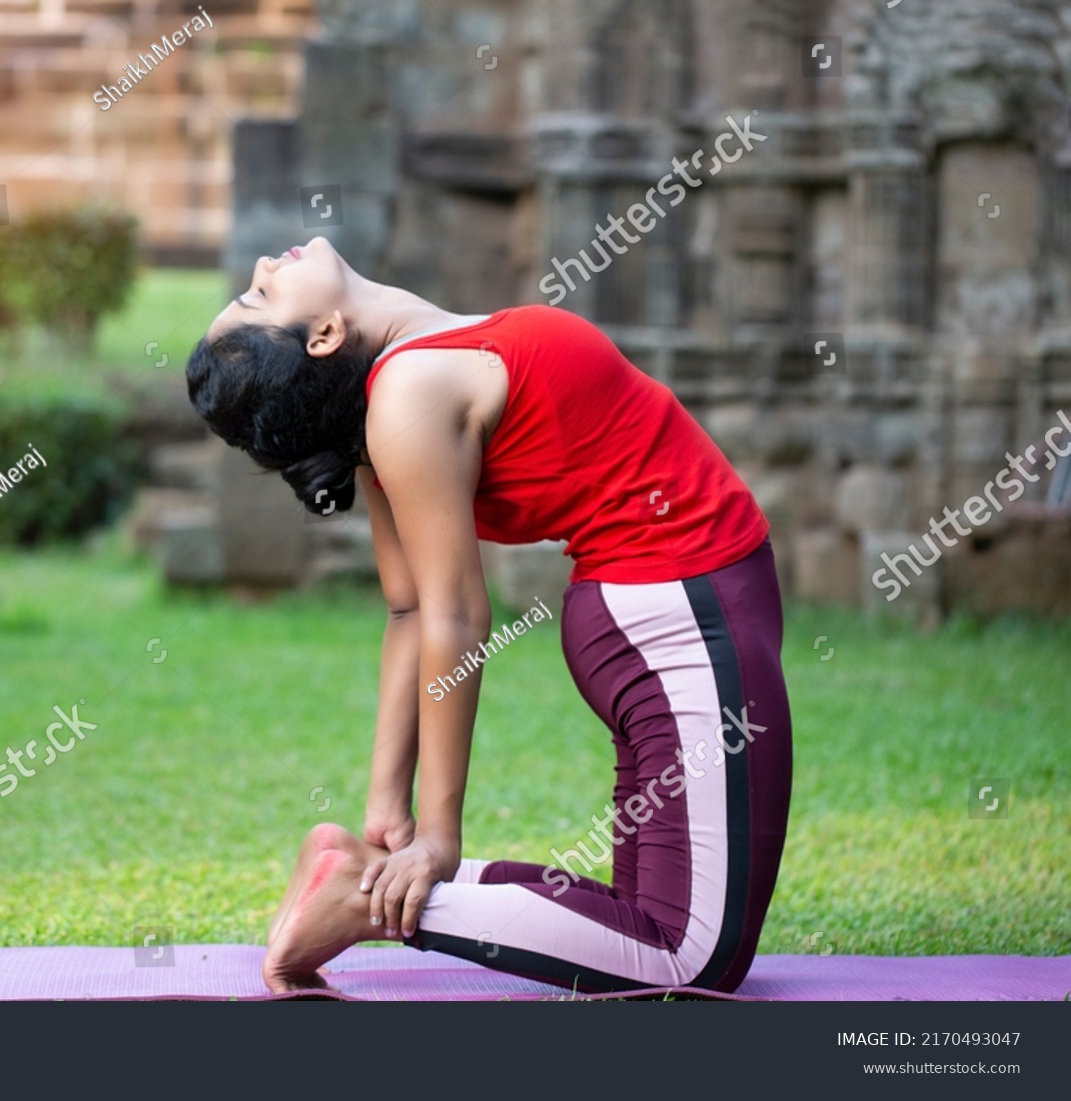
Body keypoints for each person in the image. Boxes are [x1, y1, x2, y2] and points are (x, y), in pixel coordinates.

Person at [185, 236, 792, 995]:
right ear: (324, 334)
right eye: (262, 296)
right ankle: (360, 901)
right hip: (674, 612)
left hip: (663, 613)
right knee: (688, 956)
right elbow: (444, 617)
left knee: (649, 917)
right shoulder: (406, 397)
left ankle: (359, 876)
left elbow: (409, 609)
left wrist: (385, 810)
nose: (264, 268)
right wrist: (429, 829)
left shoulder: (399, 385)